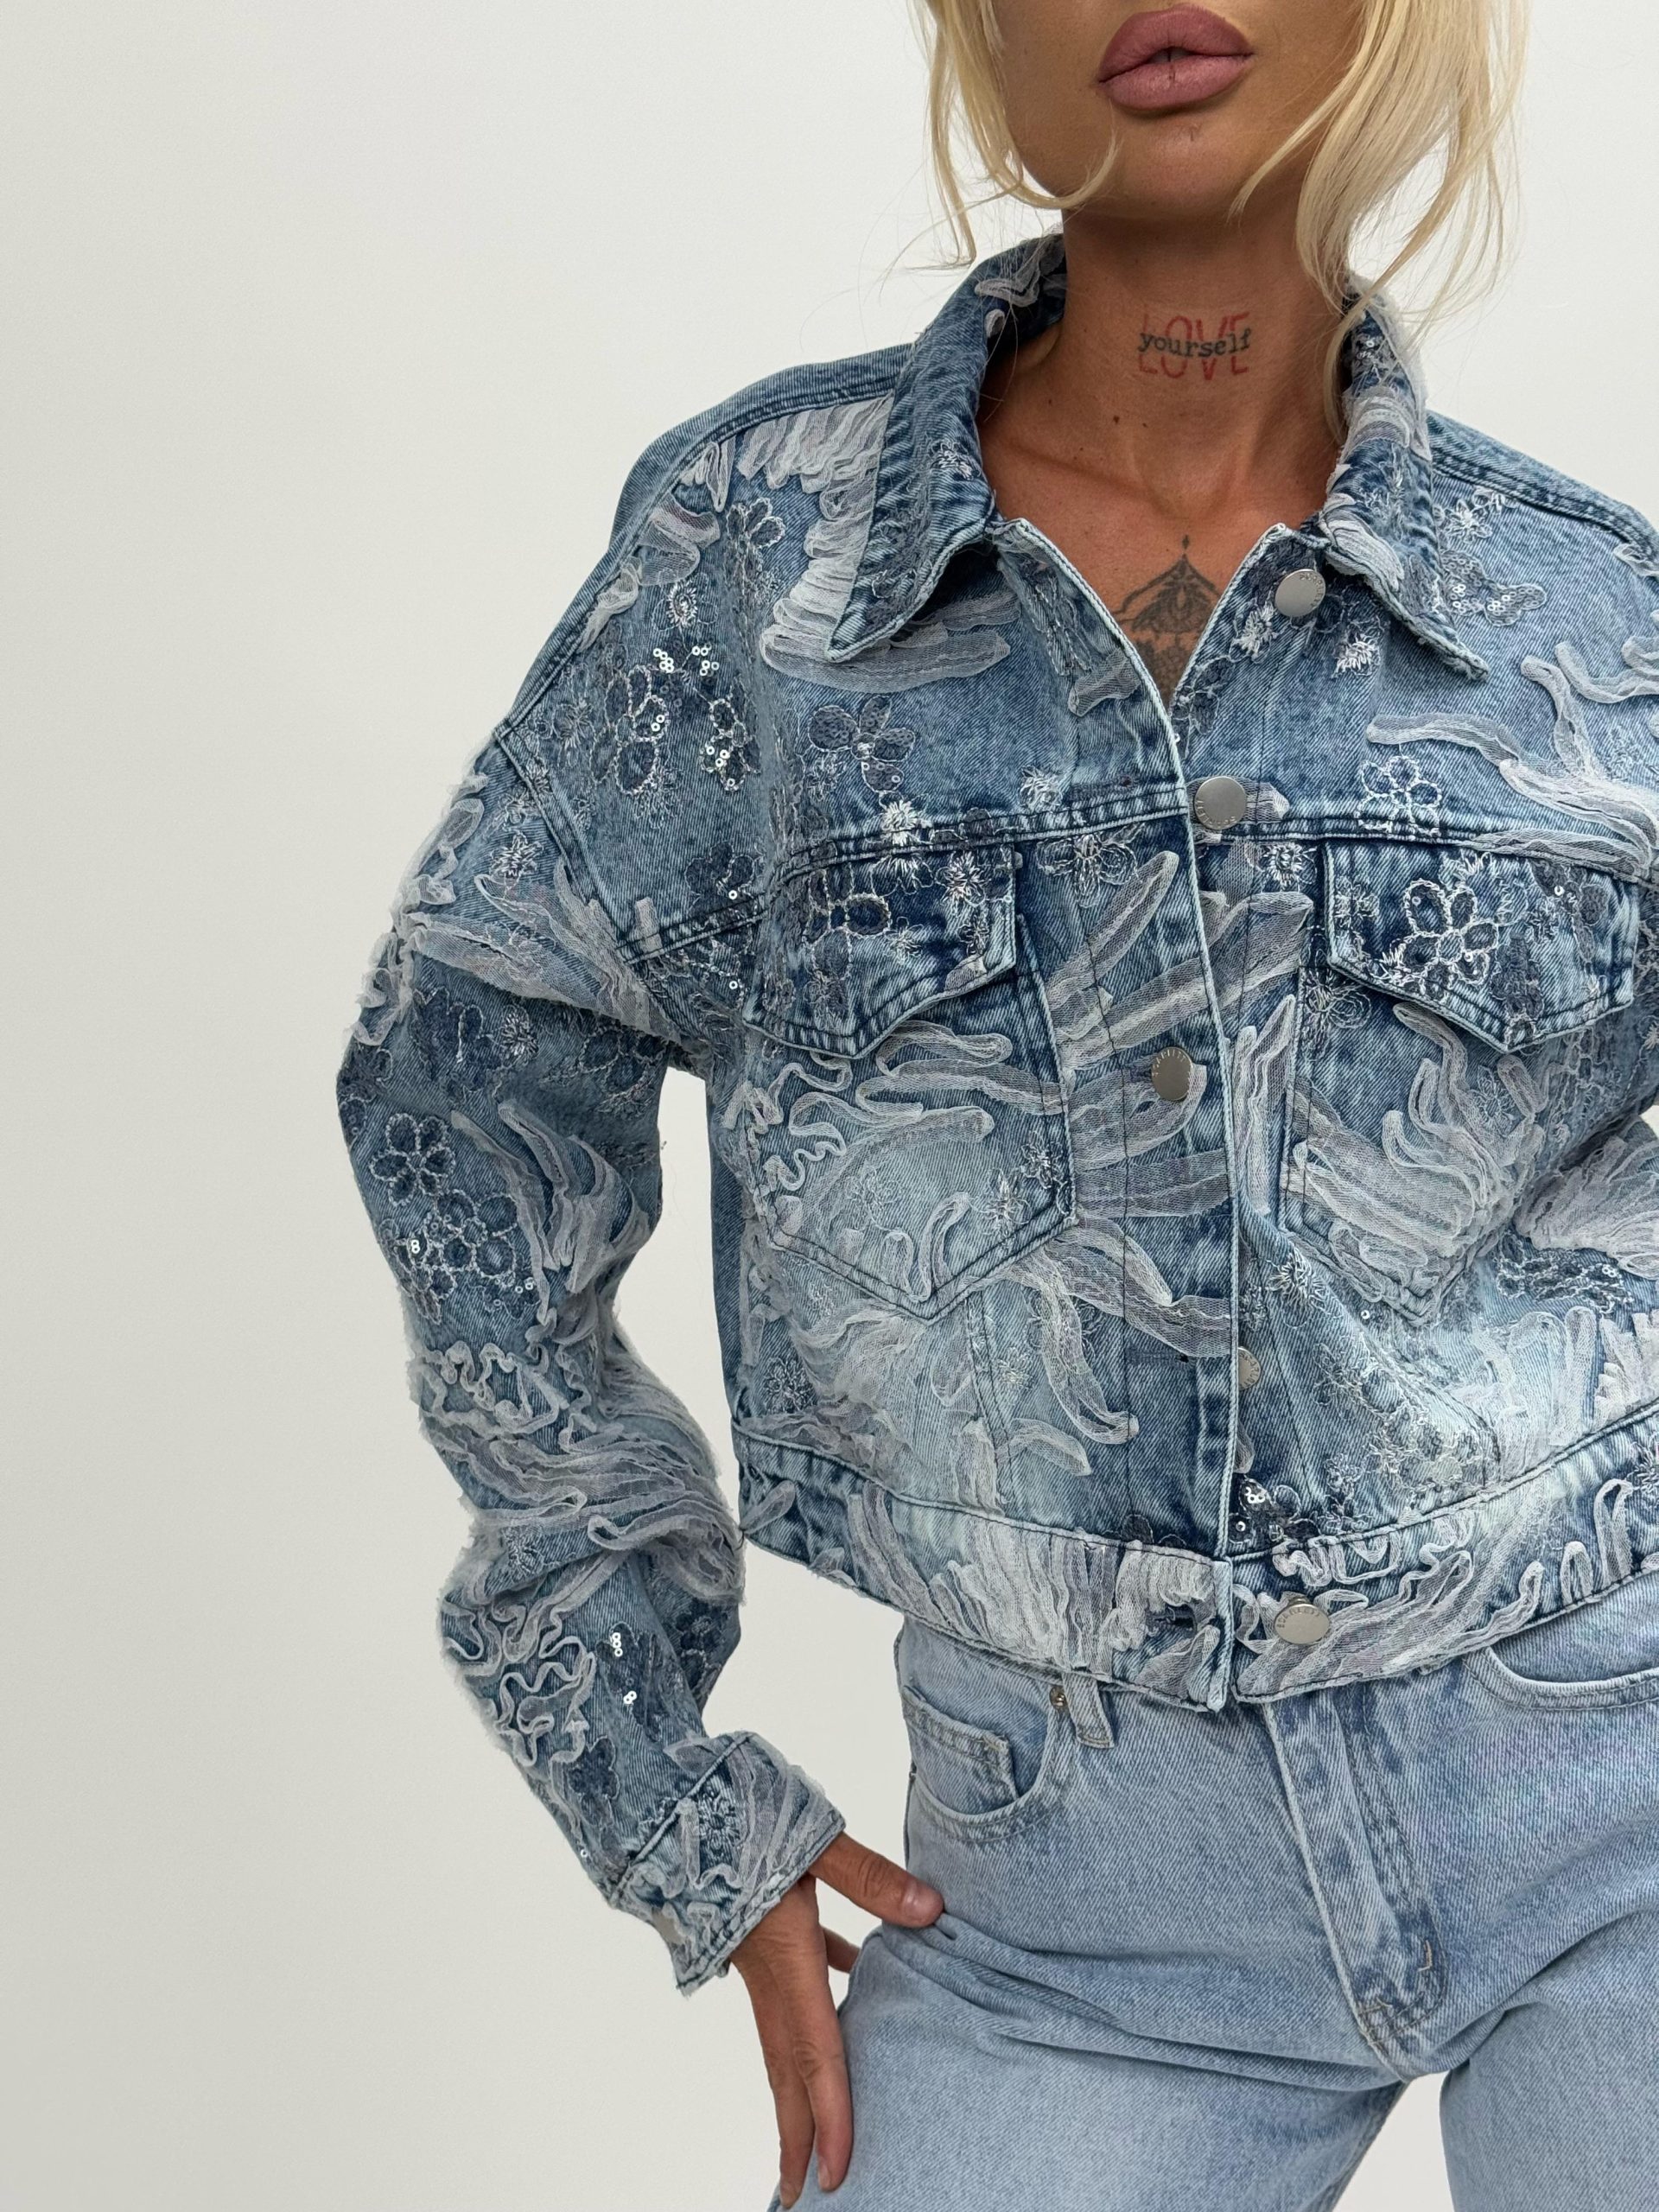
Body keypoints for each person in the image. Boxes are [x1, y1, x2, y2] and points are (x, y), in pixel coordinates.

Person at [335, 3, 1659, 2204]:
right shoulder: (753, 576)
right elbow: (463, 1079)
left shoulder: (1593, 626)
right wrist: (664, 1782)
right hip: (1069, 1905)